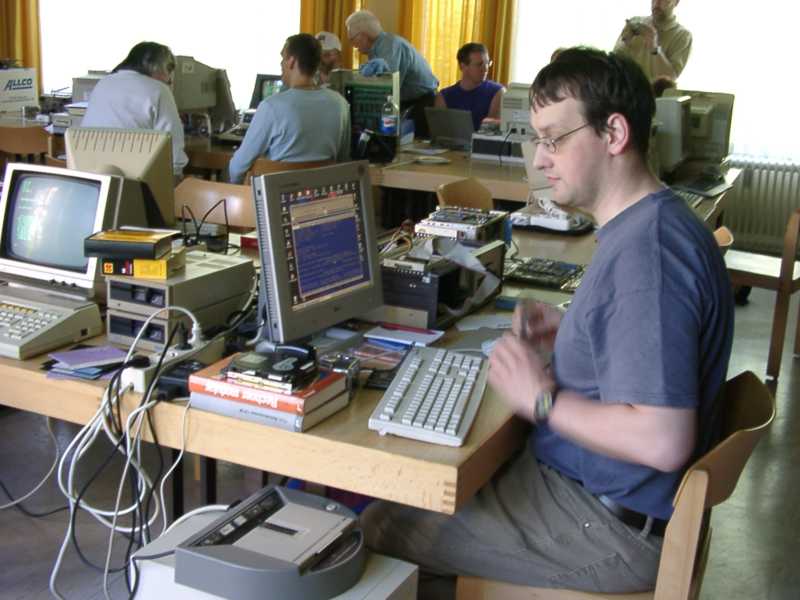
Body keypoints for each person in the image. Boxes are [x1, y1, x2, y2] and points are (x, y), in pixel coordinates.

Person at [361, 47, 733, 598]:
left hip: (605, 522)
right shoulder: (654, 222)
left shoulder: (647, 255)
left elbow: (662, 439)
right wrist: (577, 328)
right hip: (607, 497)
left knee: (378, 529)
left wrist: (542, 401)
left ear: (614, 133)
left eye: (554, 139)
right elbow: (644, 333)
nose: (539, 159)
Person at [228, 33, 350, 184]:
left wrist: (236, 189)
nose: (281, 63)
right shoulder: (340, 104)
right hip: (323, 194)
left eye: (283, 58)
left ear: (291, 61)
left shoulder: (271, 107)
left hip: (278, 196)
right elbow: (343, 161)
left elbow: (237, 168)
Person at [82, 41, 188, 176]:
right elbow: (172, 147)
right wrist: (177, 176)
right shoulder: (158, 89)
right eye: (169, 70)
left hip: (92, 174)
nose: (169, 79)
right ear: (156, 66)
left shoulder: (103, 83)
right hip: (135, 177)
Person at [345, 9, 439, 137]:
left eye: (352, 39)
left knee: (406, 144)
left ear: (363, 35)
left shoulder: (389, 45)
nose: (352, 45)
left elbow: (386, 88)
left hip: (421, 102)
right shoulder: (378, 47)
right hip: (409, 101)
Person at [614, 0, 692, 82]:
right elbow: (613, 64)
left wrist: (654, 46)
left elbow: (669, 79)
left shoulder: (683, 36)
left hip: (651, 90)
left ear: (676, 2)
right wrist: (625, 42)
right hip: (622, 88)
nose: (657, 3)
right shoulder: (635, 22)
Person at [435, 42, 505, 131]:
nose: (486, 69)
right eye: (479, 64)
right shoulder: (444, 96)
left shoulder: (497, 92)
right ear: (463, 66)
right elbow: (440, 132)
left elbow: (490, 132)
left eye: (487, 63)